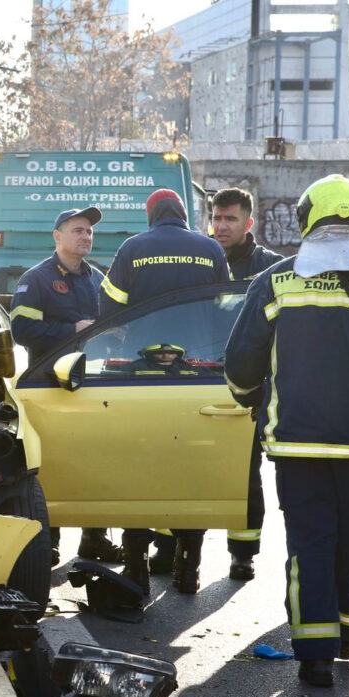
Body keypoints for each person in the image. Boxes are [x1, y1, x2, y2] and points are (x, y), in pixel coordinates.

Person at [225, 174, 349, 688]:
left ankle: (314, 655)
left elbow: (241, 361)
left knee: (309, 543)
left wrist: (249, 402)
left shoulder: (278, 280)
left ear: (308, 216)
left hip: (298, 442)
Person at [100, 188, 231, 594]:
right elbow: (227, 307)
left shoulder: (132, 248)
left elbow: (108, 308)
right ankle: (187, 568)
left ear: (151, 214)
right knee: (192, 471)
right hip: (197, 370)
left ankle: (136, 568)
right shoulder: (209, 249)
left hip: (141, 374)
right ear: (183, 213)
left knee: (138, 468)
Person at [11, 206, 121, 564]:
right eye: (78, 230)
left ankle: (94, 538)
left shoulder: (97, 279)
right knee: (51, 464)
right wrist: (71, 330)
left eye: (89, 231)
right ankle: (50, 539)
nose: (85, 236)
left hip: (91, 385)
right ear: (57, 236)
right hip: (48, 388)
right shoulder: (37, 279)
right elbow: (21, 331)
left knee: (96, 461)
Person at [211, 187, 281, 581]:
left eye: (230, 219)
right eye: (217, 218)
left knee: (245, 469)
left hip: (251, 384)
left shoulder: (270, 266)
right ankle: (175, 548)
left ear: (248, 223)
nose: (221, 226)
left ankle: (243, 553)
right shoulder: (203, 260)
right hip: (201, 381)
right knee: (194, 465)